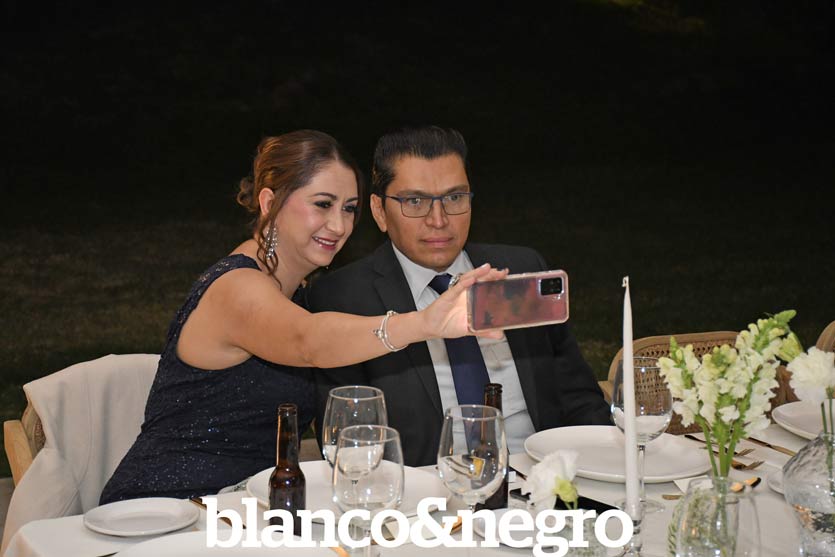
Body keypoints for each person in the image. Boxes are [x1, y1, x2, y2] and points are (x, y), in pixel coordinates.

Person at [100, 130, 505, 503]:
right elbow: (307, 341)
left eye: (349, 208)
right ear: (269, 203)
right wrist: (424, 323)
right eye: (322, 205)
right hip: (168, 507)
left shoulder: (298, 291)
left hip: (247, 506)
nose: (339, 225)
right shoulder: (237, 288)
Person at [306, 126, 611, 466]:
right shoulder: (343, 299)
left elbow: (580, 399)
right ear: (379, 211)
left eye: (454, 198)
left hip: (541, 475)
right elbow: (348, 443)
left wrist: (605, 471)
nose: (439, 220)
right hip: (424, 489)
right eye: (415, 201)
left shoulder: (520, 270)